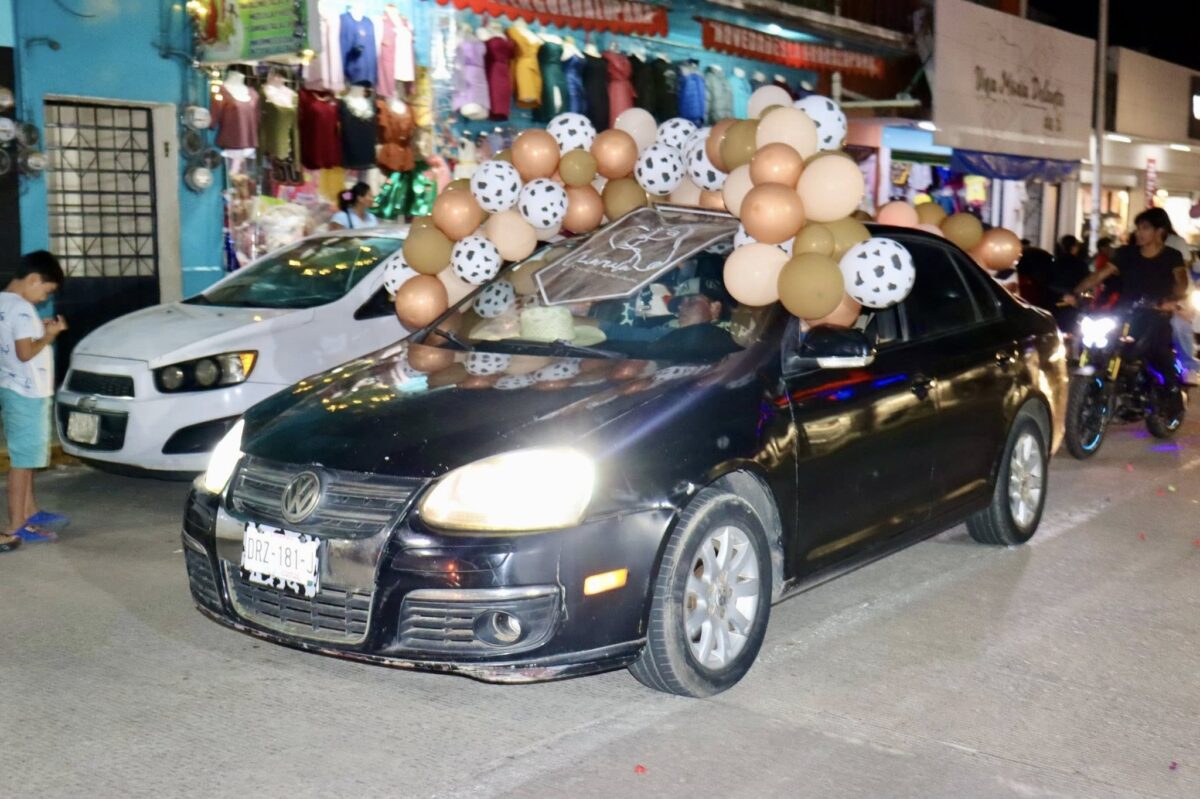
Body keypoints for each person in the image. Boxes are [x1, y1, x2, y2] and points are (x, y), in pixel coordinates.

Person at [1071, 208, 1189, 407]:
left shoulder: (1172, 256)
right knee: (1101, 344)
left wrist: (1171, 300)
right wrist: (1076, 292)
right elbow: (1100, 274)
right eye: (1138, 228)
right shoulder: (1126, 253)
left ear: (1159, 231)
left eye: (1145, 228)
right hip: (1124, 313)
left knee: (1157, 351)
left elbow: (1181, 282)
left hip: (1155, 315)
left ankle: (1172, 393)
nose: (1139, 233)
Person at [1, 251, 69, 550]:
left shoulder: (4, 302)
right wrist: (49, 335)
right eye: (47, 290)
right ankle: (17, 523)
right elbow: (25, 352)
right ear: (33, 279)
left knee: (26, 458)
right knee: (23, 462)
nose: (45, 298)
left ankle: (29, 512)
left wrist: (38, 330)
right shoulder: (22, 309)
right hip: (28, 392)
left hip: (14, 388)